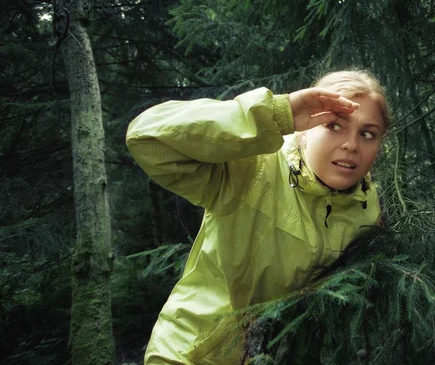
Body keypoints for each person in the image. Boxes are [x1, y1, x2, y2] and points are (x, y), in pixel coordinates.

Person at [126, 69, 390, 364]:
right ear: (304, 129)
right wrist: (278, 113)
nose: (352, 145)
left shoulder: (368, 209)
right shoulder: (251, 167)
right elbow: (146, 136)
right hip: (190, 355)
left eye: (367, 134)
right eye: (334, 126)